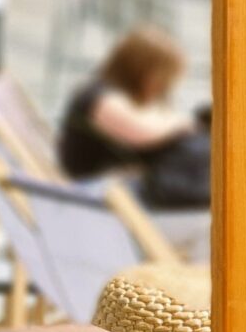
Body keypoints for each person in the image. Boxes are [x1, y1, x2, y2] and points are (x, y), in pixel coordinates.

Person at [56, 25, 207, 208]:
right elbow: (141, 133)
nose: (163, 88)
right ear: (141, 70)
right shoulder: (99, 96)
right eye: (163, 79)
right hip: (92, 192)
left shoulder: (124, 100)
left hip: (112, 191)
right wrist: (183, 123)